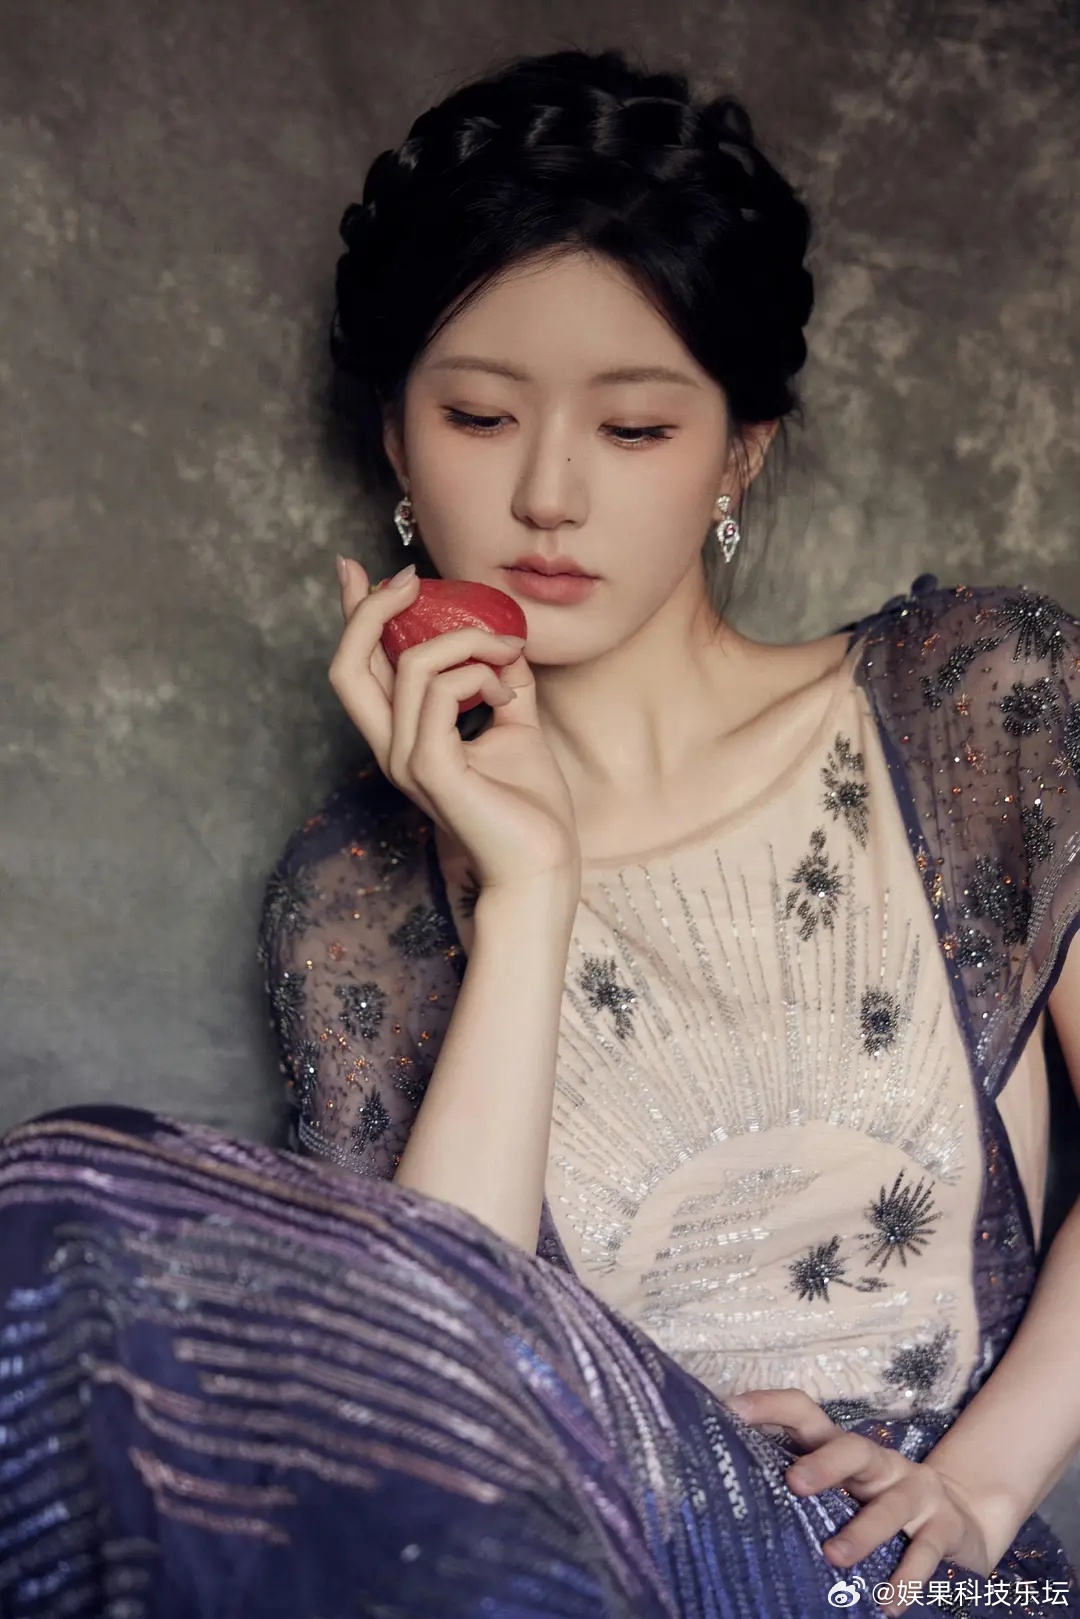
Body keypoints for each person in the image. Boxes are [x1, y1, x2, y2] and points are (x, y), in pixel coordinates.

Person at [1, 45, 1079, 1619]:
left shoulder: (979, 706)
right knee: (65, 1207)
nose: (551, 496)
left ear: (741, 448)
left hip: (906, 1576)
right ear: (396, 440)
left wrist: (980, 1487)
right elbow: (409, 1400)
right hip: (585, 1563)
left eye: (634, 429)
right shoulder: (360, 897)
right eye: (481, 416)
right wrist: (524, 887)